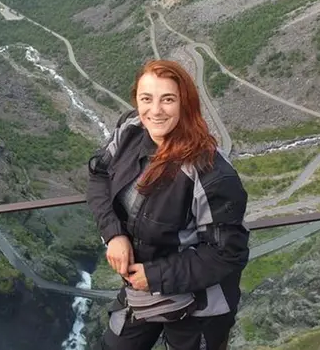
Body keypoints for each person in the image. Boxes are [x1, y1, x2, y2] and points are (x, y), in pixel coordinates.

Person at [85, 59, 250, 350]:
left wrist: (155, 276)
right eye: (146, 99)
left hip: (198, 306)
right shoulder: (130, 130)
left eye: (168, 99)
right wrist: (114, 234)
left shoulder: (211, 173)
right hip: (142, 290)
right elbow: (98, 175)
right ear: (136, 99)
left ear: (185, 103)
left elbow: (227, 253)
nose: (155, 110)